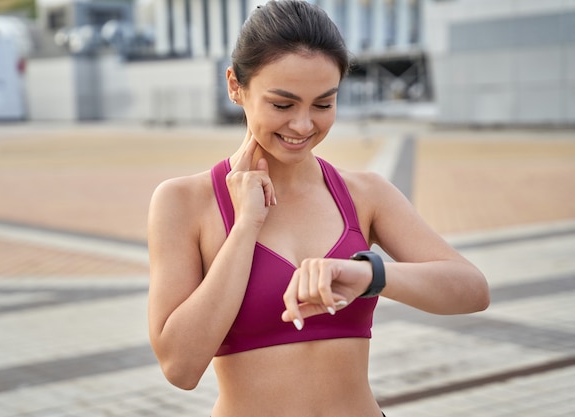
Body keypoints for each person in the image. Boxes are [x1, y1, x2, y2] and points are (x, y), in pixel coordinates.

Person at [147, 1, 490, 416]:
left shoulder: (365, 193)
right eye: (283, 104)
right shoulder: (184, 202)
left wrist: (370, 273)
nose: (304, 125)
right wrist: (246, 226)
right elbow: (180, 367)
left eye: (323, 105)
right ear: (235, 86)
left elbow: (472, 291)